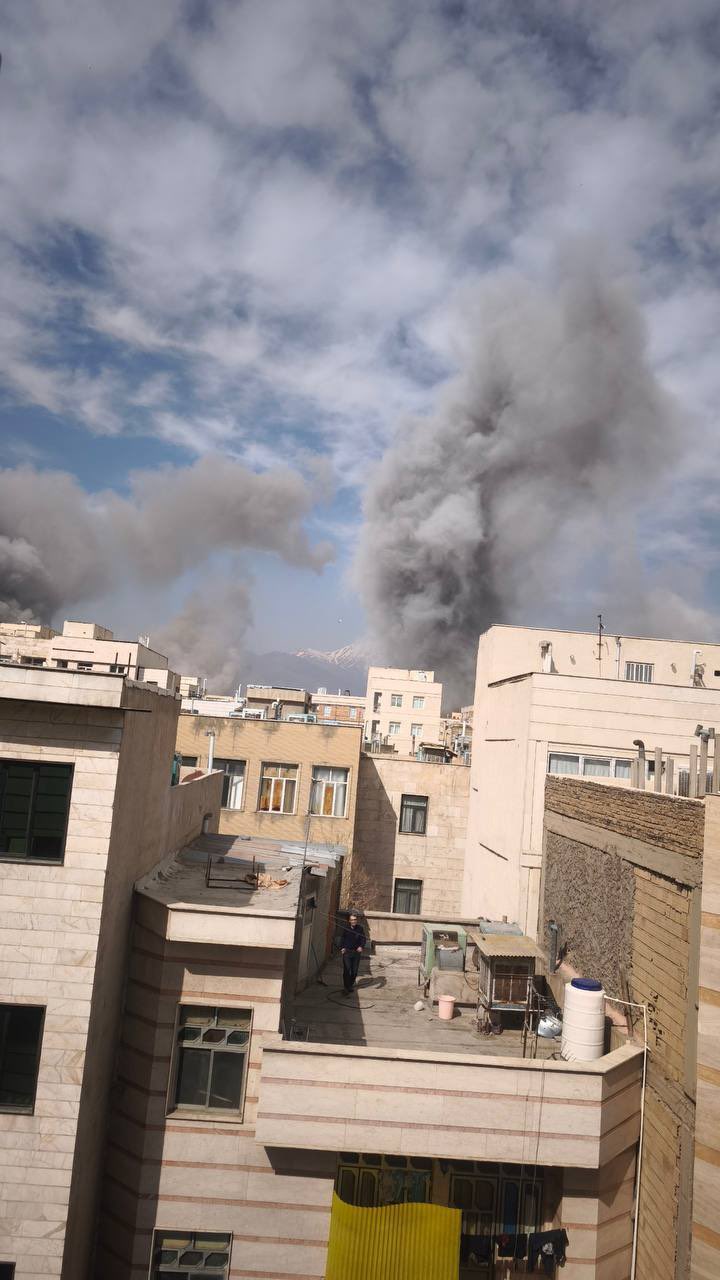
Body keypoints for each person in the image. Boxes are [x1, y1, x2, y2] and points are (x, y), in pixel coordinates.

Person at [339, 912, 366, 993]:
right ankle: (346, 987)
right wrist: (342, 948)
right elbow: (342, 939)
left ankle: (350, 985)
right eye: (352, 920)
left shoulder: (360, 929)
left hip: (356, 953)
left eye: (355, 919)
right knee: (347, 970)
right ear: (349, 921)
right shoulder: (346, 928)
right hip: (347, 952)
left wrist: (361, 946)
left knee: (354, 971)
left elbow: (363, 939)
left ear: (356, 920)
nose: (353, 921)